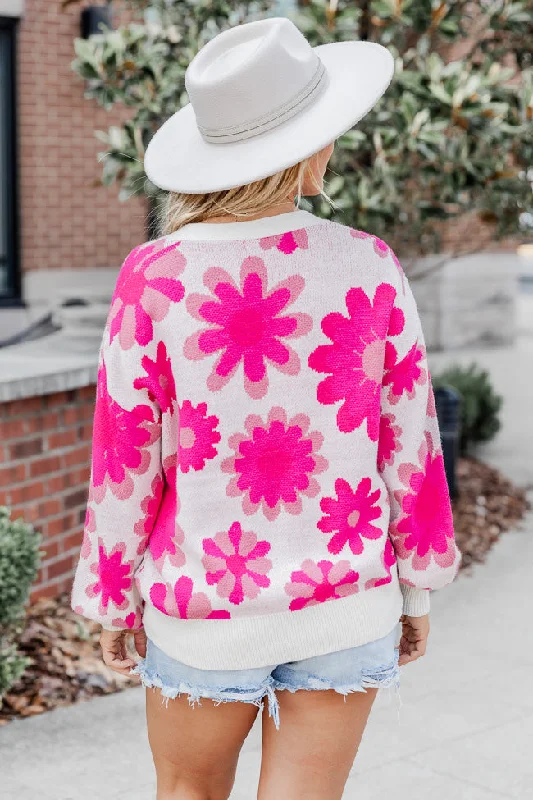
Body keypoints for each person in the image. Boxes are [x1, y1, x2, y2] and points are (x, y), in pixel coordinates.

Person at [71, 17, 460, 800]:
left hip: (205, 606)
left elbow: (125, 457)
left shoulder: (154, 276)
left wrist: (112, 597)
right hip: (347, 602)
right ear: (307, 149)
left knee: (188, 793)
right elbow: (410, 440)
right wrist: (415, 585)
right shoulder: (367, 264)